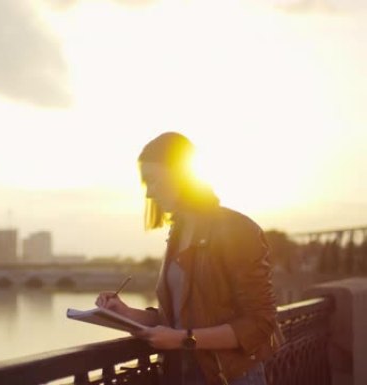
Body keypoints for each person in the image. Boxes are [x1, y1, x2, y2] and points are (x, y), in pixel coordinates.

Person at [95, 132, 283, 385]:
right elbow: (175, 320)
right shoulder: (177, 234)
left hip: (230, 377)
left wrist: (184, 339)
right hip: (184, 376)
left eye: (153, 181)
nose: (149, 193)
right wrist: (126, 313)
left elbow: (260, 323)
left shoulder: (236, 228)